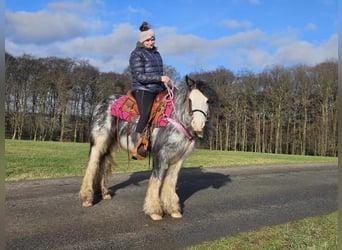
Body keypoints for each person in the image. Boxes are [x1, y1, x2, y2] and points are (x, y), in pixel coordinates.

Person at [129, 21, 171, 159]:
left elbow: (159, 74)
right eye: (148, 40)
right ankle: (137, 145)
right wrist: (160, 78)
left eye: (152, 39)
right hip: (142, 89)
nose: (151, 42)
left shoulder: (157, 54)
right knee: (146, 114)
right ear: (142, 40)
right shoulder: (136, 54)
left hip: (157, 89)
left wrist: (167, 85)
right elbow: (140, 76)